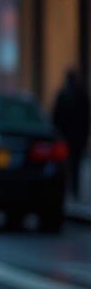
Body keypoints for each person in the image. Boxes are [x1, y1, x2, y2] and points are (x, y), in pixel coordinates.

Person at [51, 68, 90, 202]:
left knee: (67, 165)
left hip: (67, 137)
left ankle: (70, 190)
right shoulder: (80, 94)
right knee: (74, 164)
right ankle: (74, 190)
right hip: (75, 138)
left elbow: (55, 118)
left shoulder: (64, 94)